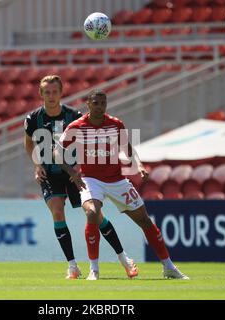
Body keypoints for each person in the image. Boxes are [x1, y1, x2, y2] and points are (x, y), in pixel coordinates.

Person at [55, 89, 189, 281]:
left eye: (103, 103)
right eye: (95, 103)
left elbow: (128, 149)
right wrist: (72, 173)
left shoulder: (116, 124)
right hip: (91, 179)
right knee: (92, 213)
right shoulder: (77, 126)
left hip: (117, 181)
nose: (99, 106)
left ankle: (168, 266)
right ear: (88, 104)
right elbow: (57, 153)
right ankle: (94, 269)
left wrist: (139, 166)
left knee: (145, 221)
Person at [23, 75, 138, 280]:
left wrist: (78, 167)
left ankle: (124, 259)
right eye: (47, 92)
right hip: (50, 174)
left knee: (95, 215)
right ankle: (73, 266)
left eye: (55, 92)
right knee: (57, 212)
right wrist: (36, 165)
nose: (51, 96)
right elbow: (29, 142)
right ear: (40, 94)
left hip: (74, 174)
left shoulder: (73, 115)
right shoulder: (33, 119)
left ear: (61, 93)